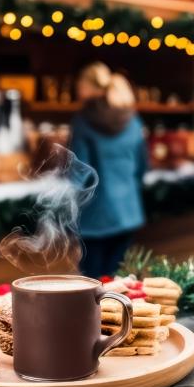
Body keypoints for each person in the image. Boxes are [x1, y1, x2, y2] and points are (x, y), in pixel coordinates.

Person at [70, 62, 147, 278]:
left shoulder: (83, 121)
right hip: (128, 212)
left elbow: (80, 173)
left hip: (96, 217)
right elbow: (142, 166)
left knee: (91, 285)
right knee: (118, 281)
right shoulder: (132, 119)